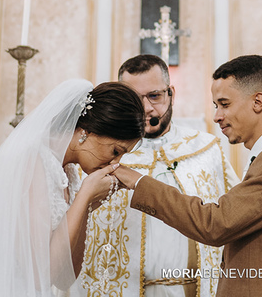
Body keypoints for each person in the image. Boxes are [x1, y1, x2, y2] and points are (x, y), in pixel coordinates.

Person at [111, 55, 262, 297]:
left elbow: (215, 224)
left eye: (225, 104)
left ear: (258, 102)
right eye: (215, 105)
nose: (216, 116)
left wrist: (138, 182)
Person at [0, 80, 145, 297]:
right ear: (87, 132)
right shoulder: (34, 161)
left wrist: (86, 204)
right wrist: (85, 196)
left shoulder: (67, 172)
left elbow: (65, 278)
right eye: (116, 151)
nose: (114, 164)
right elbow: (41, 274)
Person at [77, 54, 239, 297]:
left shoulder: (207, 149)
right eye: (134, 98)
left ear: (170, 93)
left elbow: (233, 221)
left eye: (154, 96)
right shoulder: (99, 155)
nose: (146, 108)